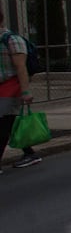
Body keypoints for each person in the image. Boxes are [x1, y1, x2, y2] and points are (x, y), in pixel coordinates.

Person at [0, 10, 43, 170]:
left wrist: (25, 91)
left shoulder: (12, 40)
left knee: (3, 125)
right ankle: (30, 153)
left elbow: (21, 67)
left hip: (10, 86)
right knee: (8, 124)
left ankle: (30, 154)